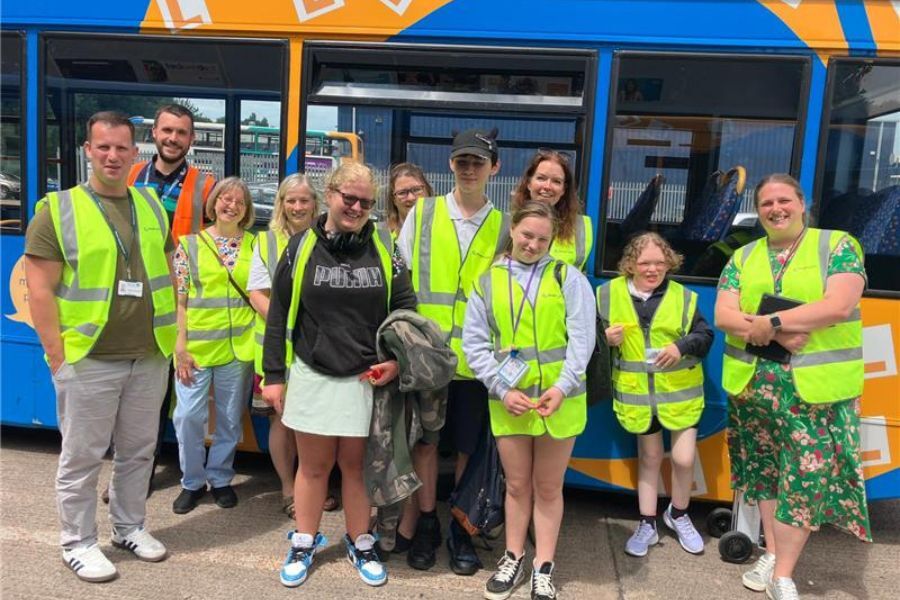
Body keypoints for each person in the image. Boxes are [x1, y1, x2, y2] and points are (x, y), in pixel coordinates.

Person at [24, 111, 176, 582]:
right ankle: (77, 542)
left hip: (149, 354)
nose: (113, 156)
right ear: (88, 150)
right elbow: (39, 288)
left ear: (136, 153)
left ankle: (128, 527)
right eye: (103, 147)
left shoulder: (151, 205)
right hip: (88, 356)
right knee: (83, 456)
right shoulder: (60, 208)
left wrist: (176, 341)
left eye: (122, 148)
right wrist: (57, 355)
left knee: (138, 452)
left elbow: (170, 269)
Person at [714, 174, 870, 600]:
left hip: (814, 391)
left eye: (784, 200)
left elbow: (838, 305)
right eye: (766, 203)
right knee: (764, 474)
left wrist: (774, 322)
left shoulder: (837, 246)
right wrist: (776, 333)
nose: (775, 209)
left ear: (802, 204)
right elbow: (724, 315)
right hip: (753, 387)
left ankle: (783, 573)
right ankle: (771, 552)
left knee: (804, 479)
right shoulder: (744, 256)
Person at [262, 162, 417, 588]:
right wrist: (273, 374)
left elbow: (407, 309)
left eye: (366, 202)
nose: (355, 207)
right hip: (312, 371)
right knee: (313, 467)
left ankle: (359, 540)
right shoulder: (300, 246)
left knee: (355, 467)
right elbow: (278, 314)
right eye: (348, 198)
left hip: (365, 377)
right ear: (329, 194)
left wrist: (398, 361)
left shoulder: (386, 249)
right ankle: (304, 540)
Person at [464, 202, 595, 600]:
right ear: (513, 230)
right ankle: (513, 556)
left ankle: (544, 567)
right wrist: (503, 389)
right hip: (510, 402)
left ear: (552, 240)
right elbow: (475, 345)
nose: (533, 243)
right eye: (526, 235)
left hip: (561, 400)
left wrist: (562, 386)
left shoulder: (568, 279)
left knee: (548, 488)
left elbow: (582, 341)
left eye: (542, 238)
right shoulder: (488, 281)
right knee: (517, 486)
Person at [396, 128, 509, 575]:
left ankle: (460, 529)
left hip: (477, 364)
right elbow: (401, 282)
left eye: (478, 162)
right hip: (427, 359)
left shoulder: (504, 224)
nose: (469, 168)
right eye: (462, 160)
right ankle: (425, 524)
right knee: (425, 445)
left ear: (493, 169)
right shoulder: (421, 213)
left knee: (466, 450)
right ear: (450, 165)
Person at [597, 232, 713, 559]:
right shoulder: (606, 295)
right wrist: (604, 337)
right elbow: (583, 340)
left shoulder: (684, 297)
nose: (652, 269)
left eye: (660, 263)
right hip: (637, 398)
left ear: (669, 264)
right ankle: (646, 523)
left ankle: (678, 514)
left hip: (681, 395)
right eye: (645, 262)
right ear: (630, 264)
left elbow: (705, 336)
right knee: (648, 459)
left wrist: (681, 346)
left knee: (683, 458)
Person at [171, 177, 256, 514]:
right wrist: (180, 345)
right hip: (197, 349)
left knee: (230, 420)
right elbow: (181, 300)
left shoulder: (256, 246)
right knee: (187, 416)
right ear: (213, 203)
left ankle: (220, 477)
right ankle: (192, 481)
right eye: (225, 198)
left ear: (247, 209)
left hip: (239, 349)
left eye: (239, 200)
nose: (231, 205)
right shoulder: (189, 245)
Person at [128, 104, 216, 244]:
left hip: (180, 266)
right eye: (167, 130)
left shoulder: (208, 187)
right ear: (154, 132)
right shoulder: (129, 176)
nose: (173, 138)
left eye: (181, 132)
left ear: (191, 138)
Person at [510, 149, 593, 270]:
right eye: (541, 178)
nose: (547, 186)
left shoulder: (582, 228)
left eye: (556, 181)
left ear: (563, 189)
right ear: (529, 183)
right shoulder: (507, 222)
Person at [385, 162, 434, 239]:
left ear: (428, 191)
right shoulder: (384, 236)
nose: (411, 198)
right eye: (402, 193)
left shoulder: (443, 227)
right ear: (393, 199)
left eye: (417, 190)